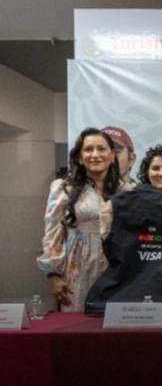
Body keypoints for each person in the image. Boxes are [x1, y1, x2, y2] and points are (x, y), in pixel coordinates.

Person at [86, 145, 162, 311]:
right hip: (131, 284)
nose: (161, 173)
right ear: (147, 172)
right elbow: (107, 233)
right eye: (155, 168)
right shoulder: (126, 202)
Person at [37, 128, 126, 311]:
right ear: (79, 157)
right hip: (78, 268)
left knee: (115, 322)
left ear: (112, 156)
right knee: (79, 323)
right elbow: (52, 233)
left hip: (117, 270)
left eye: (101, 149)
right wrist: (53, 275)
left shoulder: (126, 190)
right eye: (88, 149)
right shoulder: (63, 188)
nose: (95, 155)